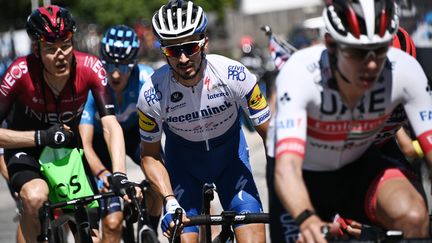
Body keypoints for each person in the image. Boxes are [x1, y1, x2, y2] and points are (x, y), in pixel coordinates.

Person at [267, 1, 432, 242]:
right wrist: (307, 218)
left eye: (380, 49)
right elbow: (288, 166)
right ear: (332, 45)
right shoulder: (299, 72)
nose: (372, 63)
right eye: (357, 53)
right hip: (302, 172)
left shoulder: (405, 70)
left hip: (356, 164)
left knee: (414, 216)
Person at [137, 0, 271, 242]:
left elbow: (270, 136)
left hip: (231, 163)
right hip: (184, 169)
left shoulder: (235, 75)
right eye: (172, 51)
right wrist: (168, 201)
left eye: (190, 48)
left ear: (204, 42)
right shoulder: (152, 93)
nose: (183, 58)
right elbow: (150, 155)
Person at [0, 5, 131, 243]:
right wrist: (40, 137)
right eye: (50, 48)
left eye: (66, 46)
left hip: (69, 150)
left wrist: (119, 173)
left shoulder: (91, 67)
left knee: (85, 225)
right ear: (36, 50)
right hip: (26, 149)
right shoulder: (19, 72)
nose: (60, 55)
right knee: (35, 198)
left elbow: (111, 125)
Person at [79, 24, 161, 243]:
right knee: (113, 223)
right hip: (100, 143)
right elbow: (85, 144)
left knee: (161, 176)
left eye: (123, 66)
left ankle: (148, 228)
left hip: (135, 135)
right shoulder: (93, 84)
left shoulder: (147, 79)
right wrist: (103, 174)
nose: (115, 73)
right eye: (110, 64)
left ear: (134, 64)